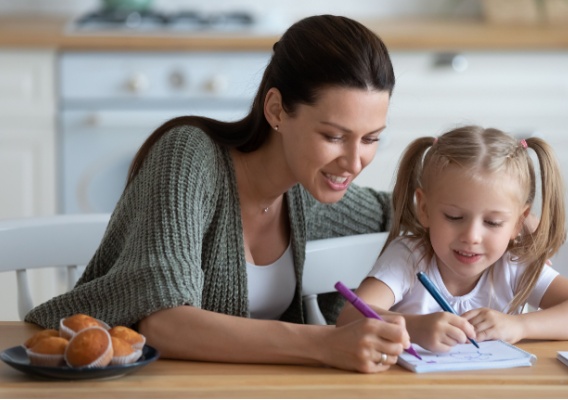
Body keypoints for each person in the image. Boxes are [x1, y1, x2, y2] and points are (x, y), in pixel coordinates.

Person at [25, 15, 412, 373]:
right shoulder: (188, 157)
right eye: (333, 136)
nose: (355, 161)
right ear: (276, 110)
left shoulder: (308, 194)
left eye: (371, 139)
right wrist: (326, 343)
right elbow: (165, 323)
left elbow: (413, 216)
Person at [336, 126, 568, 353]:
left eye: (493, 222)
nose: (471, 237)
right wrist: (414, 327)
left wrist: (519, 327)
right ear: (425, 208)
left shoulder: (514, 264)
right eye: (454, 217)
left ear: (519, 221)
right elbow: (350, 318)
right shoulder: (409, 258)